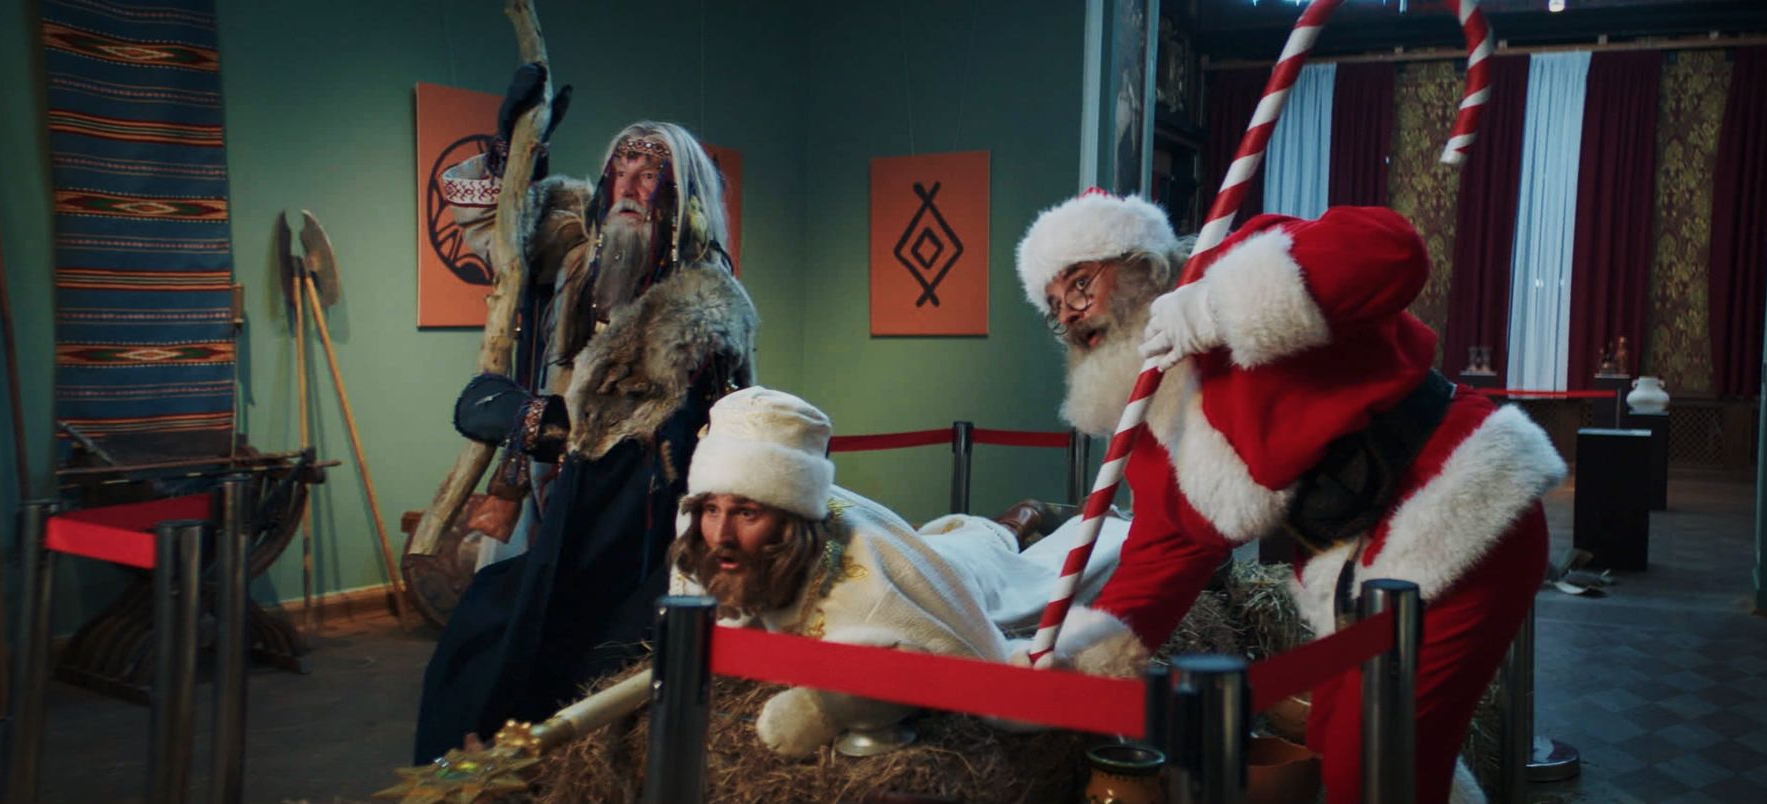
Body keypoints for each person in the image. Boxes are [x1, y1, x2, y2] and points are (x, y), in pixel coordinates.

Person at [1011, 190, 1566, 803]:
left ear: (1143, 264)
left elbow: (1393, 251)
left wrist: (1214, 307)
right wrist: (1075, 657)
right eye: (1055, 307)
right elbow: (1163, 556)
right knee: (1336, 745)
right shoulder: (1154, 419)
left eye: (1081, 286)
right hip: (1355, 569)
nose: (1071, 317)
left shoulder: (1242, 263)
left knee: (1370, 766)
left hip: (1461, 509)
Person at [414, 64, 758, 763]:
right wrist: (515, 150)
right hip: (551, 496)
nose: (630, 186)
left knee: (577, 657)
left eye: (650, 173)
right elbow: (496, 236)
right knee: (496, 637)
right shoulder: (580, 254)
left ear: (684, 200)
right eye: (620, 170)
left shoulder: (705, 302)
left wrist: (528, 420)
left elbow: (644, 419)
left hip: (637, 526)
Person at [666, 386, 1132, 756]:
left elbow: (987, 668)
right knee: (969, 536)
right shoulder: (709, 533)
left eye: (746, 513)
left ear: (790, 520)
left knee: (1023, 571)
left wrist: (1027, 681)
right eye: (712, 509)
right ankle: (1012, 520)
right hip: (923, 541)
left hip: (954, 568)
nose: (721, 534)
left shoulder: (874, 596)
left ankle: (1051, 518)